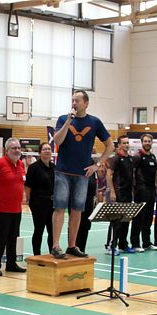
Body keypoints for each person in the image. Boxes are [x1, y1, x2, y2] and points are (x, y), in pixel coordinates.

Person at [50, 90, 114, 259]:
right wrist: (69, 120)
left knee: (77, 209)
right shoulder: (64, 119)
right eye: (72, 100)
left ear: (86, 103)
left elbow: (110, 146)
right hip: (63, 171)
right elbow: (57, 141)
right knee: (60, 207)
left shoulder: (94, 122)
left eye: (77, 100)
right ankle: (56, 245)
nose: (74, 103)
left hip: (82, 174)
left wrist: (97, 164)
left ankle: (72, 245)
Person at [0, 138, 27, 275]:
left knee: (13, 237)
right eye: (14, 148)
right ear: (6, 151)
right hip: (1, 209)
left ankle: (11, 264)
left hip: (16, 209)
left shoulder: (20, 164)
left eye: (19, 147)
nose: (17, 150)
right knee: (0, 238)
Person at [25, 142, 55, 256]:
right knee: (39, 230)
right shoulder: (34, 168)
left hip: (52, 204)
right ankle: (36, 255)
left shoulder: (54, 167)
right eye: (44, 149)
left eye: (49, 149)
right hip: (38, 203)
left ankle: (52, 254)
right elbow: (28, 186)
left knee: (52, 231)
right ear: (39, 152)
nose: (47, 151)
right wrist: (29, 201)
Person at [107, 137, 135, 254]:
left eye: (128, 143)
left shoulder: (130, 159)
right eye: (124, 143)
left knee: (126, 220)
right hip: (119, 193)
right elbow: (109, 175)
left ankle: (123, 244)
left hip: (128, 193)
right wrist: (112, 191)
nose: (126, 145)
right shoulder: (116, 159)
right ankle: (111, 246)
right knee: (116, 221)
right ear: (119, 145)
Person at [130, 134, 157, 252]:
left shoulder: (152, 157)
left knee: (148, 218)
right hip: (141, 190)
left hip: (151, 190)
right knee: (138, 218)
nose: (147, 143)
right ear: (142, 142)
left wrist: (155, 186)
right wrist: (134, 188)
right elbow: (132, 173)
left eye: (149, 141)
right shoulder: (137, 156)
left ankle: (146, 243)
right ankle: (135, 244)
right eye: (145, 141)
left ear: (152, 142)